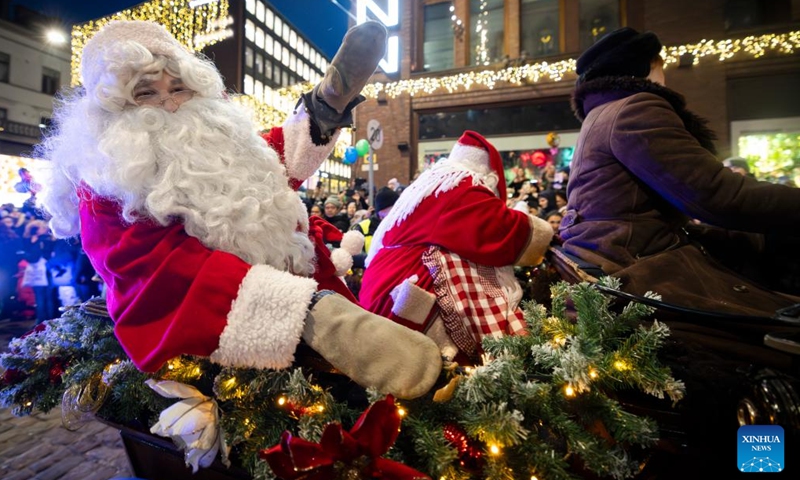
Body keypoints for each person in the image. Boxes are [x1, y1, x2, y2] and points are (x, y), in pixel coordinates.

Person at [36, 20, 441, 400]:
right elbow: (156, 273)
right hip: (221, 340)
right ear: (112, 112)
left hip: (295, 289)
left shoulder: (210, 141)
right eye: (145, 94)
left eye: (178, 89)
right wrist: (312, 311)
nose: (170, 105)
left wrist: (324, 108)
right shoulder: (109, 180)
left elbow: (264, 167)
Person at [562, 27, 800, 319]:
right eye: (661, 66)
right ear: (645, 66)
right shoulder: (634, 108)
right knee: (777, 322)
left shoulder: (600, 116)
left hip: (611, 256)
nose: (665, 76)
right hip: (634, 265)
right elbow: (715, 195)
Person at [360, 131, 553, 363]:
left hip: (381, 286)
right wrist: (545, 234)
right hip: (406, 291)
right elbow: (502, 228)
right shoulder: (461, 187)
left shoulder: (428, 184)